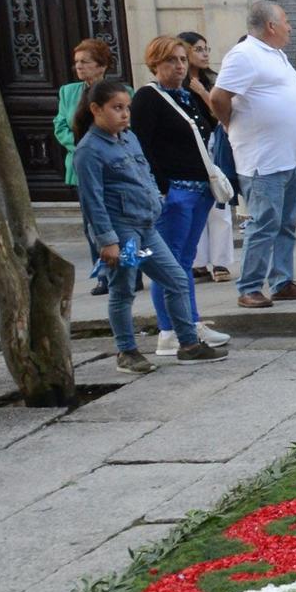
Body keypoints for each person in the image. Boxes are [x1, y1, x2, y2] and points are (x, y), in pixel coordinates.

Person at [73, 79, 226, 372]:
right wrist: (107, 241)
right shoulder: (89, 151)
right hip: (124, 234)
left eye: (126, 108)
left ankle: (188, 344)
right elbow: (92, 201)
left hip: (147, 227)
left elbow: (144, 176)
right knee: (123, 289)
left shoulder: (128, 138)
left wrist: (156, 202)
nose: (124, 114)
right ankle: (127, 351)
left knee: (176, 279)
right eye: (117, 108)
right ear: (95, 109)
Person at [210, 0, 296, 308]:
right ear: (270, 26)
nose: (290, 26)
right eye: (285, 21)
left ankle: (282, 281)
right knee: (263, 224)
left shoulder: (277, 55)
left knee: (285, 224)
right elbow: (219, 97)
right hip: (262, 160)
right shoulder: (244, 55)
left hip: (288, 157)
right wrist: (230, 124)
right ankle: (250, 286)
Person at [129, 35, 231, 355]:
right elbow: (142, 146)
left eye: (183, 60)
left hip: (199, 189)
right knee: (169, 265)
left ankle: (189, 321)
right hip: (174, 193)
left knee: (184, 262)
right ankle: (169, 330)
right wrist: (160, 189)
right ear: (155, 63)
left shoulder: (186, 94)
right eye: (172, 60)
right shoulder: (148, 97)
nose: (180, 66)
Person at [180, 31, 237, 282]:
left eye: (206, 49)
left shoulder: (214, 80)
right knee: (193, 205)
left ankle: (221, 262)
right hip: (187, 150)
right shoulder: (175, 84)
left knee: (218, 203)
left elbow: (223, 114)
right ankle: (198, 262)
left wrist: (203, 91)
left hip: (213, 147)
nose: (204, 54)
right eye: (198, 49)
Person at [56, 39, 112, 292]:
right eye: (76, 62)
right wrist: (79, 148)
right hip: (81, 164)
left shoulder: (118, 90)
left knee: (118, 219)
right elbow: (60, 125)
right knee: (91, 222)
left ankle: (129, 271)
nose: (79, 67)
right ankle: (102, 273)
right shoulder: (68, 92)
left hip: (112, 164)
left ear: (101, 66)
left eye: (85, 62)